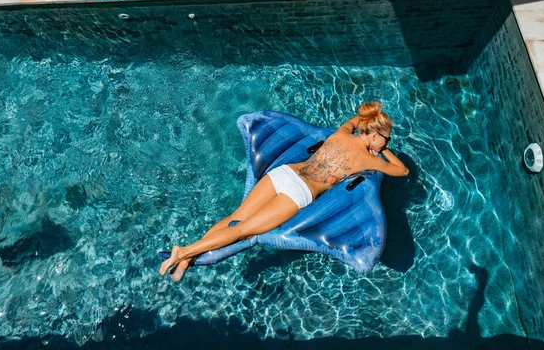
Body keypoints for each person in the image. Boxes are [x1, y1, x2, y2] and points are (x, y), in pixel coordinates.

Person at [159, 101, 409, 282]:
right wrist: (382, 152)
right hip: (300, 191)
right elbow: (402, 171)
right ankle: (185, 251)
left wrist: (367, 123)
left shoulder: (342, 132)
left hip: (285, 173)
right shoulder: (369, 160)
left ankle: (185, 260)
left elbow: (355, 120)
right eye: (385, 138)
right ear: (374, 134)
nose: (387, 142)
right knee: (243, 231)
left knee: (237, 216)